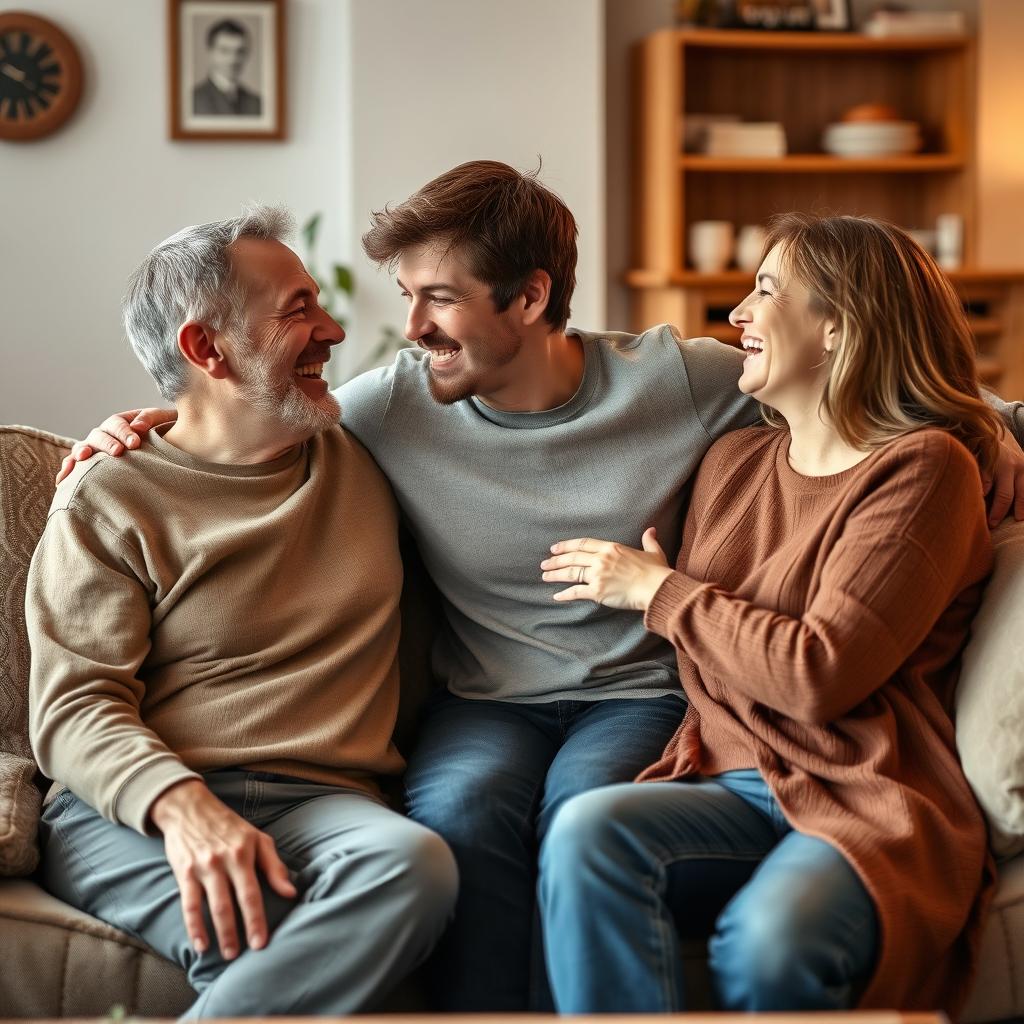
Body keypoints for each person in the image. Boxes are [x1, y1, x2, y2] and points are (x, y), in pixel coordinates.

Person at [56, 162, 1024, 1011]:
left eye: (437, 298)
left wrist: (993, 433)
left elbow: (870, 373)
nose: (404, 329)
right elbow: (245, 415)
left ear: (528, 299)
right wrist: (147, 425)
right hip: (487, 700)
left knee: (584, 809)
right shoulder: (393, 405)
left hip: (630, 697)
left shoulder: (679, 383)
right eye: (404, 296)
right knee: (465, 813)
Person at [536, 213, 1002, 1014]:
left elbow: (816, 674)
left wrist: (659, 592)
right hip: (731, 781)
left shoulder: (924, 469)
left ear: (837, 328)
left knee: (769, 941)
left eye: (766, 291)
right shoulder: (732, 462)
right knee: (586, 831)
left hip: (865, 790)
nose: (738, 316)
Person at [27, 206, 457, 1019]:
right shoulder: (111, 494)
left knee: (417, 867)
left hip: (325, 804)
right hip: (132, 812)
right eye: (297, 309)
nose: (333, 327)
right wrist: (181, 806)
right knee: (258, 929)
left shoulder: (367, 445)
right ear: (204, 348)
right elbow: (73, 706)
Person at [192, 19, 262, 117]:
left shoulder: (257, 103)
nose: (233, 59)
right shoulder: (193, 100)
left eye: (239, 51)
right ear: (210, 52)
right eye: (224, 51)